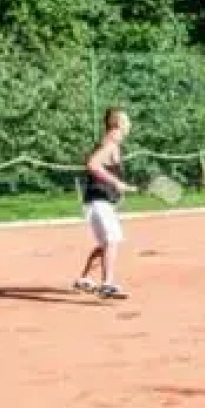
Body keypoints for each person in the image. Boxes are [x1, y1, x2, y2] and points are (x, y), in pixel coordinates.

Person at [74, 107, 134, 299]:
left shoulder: (113, 145)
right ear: (117, 124)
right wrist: (116, 182)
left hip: (100, 202)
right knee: (112, 240)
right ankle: (107, 284)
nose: (130, 125)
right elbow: (92, 164)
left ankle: (83, 279)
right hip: (97, 202)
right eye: (127, 121)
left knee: (105, 245)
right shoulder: (110, 145)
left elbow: (103, 172)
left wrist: (119, 189)